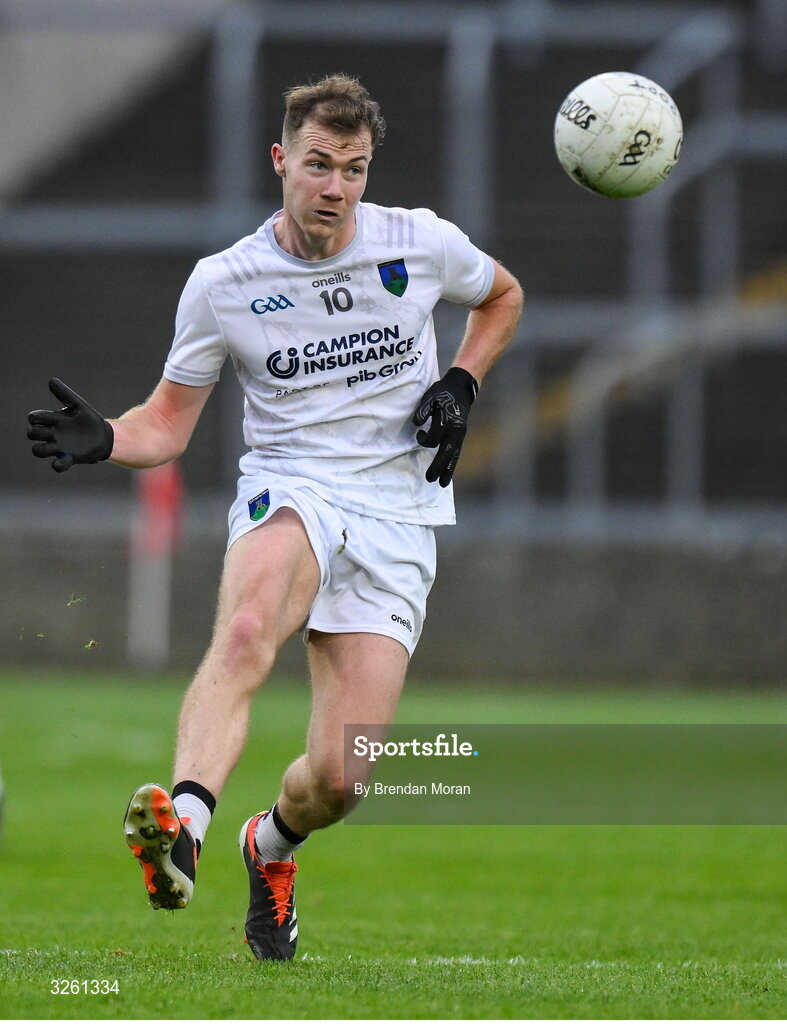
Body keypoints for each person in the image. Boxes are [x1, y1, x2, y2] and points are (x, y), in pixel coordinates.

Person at [27, 74, 523, 960]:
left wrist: (461, 379)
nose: (336, 187)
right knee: (248, 626)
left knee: (340, 782)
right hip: (292, 487)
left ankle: (270, 848)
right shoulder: (224, 284)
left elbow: (502, 296)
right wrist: (107, 436)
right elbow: (165, 425)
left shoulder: (420, 241)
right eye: (319, 165)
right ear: (281, 161)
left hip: (398, 514)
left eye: (355, 169)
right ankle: (181, 833)